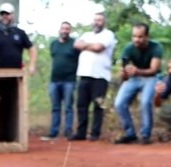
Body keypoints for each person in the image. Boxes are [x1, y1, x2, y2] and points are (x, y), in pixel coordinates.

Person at [113, 23, 163, 145]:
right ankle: (130, 133)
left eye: (140, 37)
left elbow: (154, 70)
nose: (136, 39)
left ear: (147, 36)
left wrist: (136, 70)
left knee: (145, 102)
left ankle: (146, 134)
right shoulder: (128, 48)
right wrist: (124, 73)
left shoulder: (156, 47)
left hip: (150, 77)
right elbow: (124, 74)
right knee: (119, 103)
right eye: (134, 36)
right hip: (134, 77)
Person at [70, 12, 116, 141]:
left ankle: (95, 133)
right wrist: (89, 46)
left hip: (100, 76)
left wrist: (85, 46)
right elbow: (76, 45)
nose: (97, 22)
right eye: (95, 20)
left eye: (100, 20)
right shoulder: (86, 35)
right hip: (84, 74)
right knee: (81, 105)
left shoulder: (108, 34)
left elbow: (98, 47)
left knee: (98, 105)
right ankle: (81, 133)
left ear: (104, 22)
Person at [41, 21, 80, 141]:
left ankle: (68, 131)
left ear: (70, 31)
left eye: (67, 29)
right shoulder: (54, 44)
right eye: (63, 29)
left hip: (69, 80)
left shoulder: (74, 44)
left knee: (68, 106)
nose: (65, 31)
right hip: (54, 80)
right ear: (59, 30)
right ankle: (53, 132)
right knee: (55, 107)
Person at [0, 3, 37, 74]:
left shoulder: (20, 33)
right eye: (2, 14)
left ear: (12, 15)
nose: (4, 16)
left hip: (15, 73)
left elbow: (32, 49)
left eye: (7, 14)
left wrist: (32, 65)